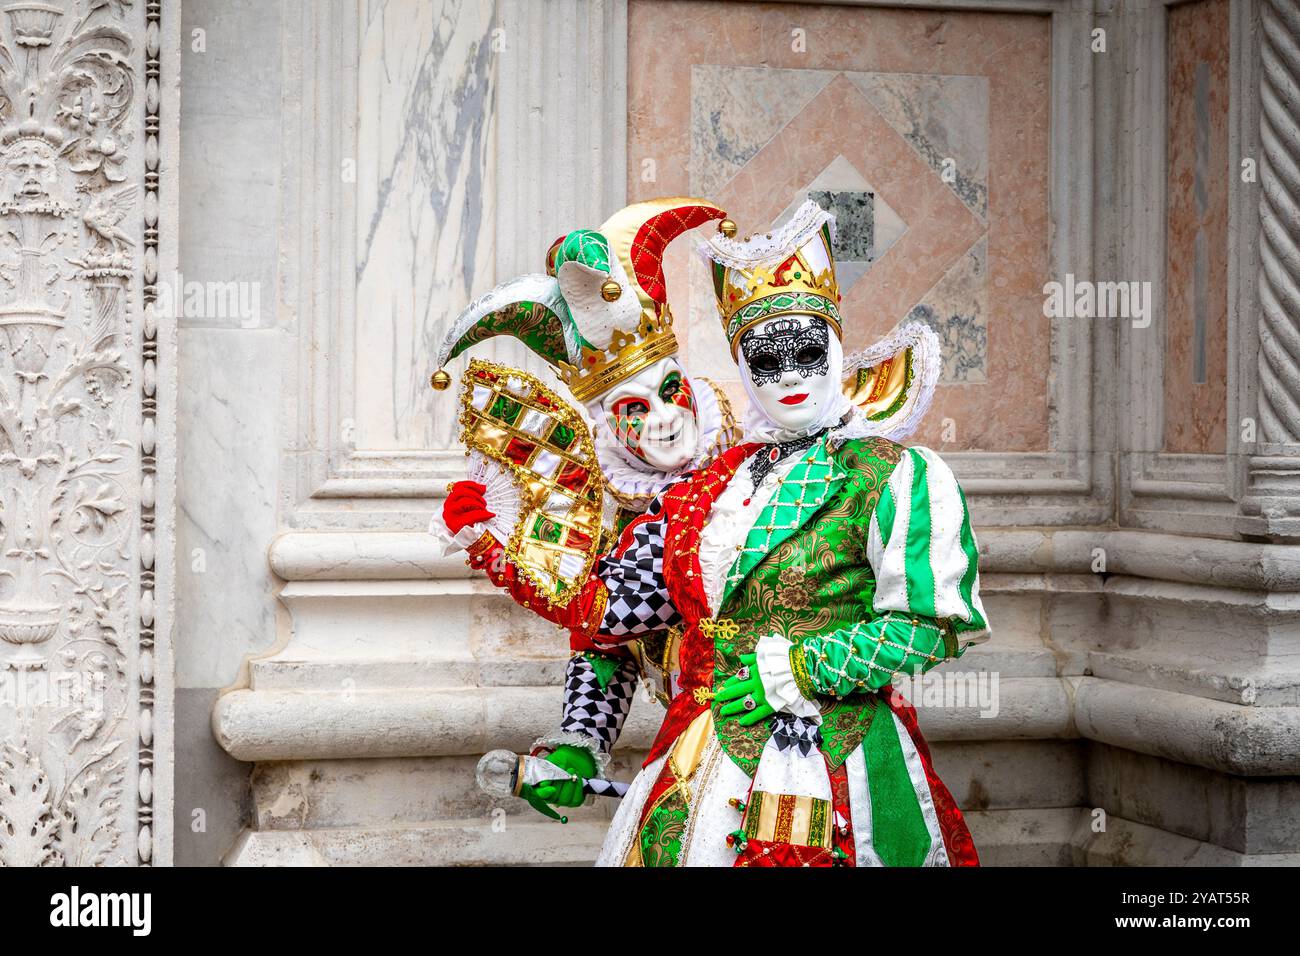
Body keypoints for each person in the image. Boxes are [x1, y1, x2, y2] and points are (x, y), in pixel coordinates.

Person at [447, 199, 990, 866]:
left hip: (839, 765)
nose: (787, 372)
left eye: (805, 349)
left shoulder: (895, 473)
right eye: (764, 358)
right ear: (740, 365)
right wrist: (500, 550)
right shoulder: (713, 485)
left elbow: (928, 626)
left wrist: (797, 667)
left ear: (835, 346)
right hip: (702, 764)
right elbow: (611, 615)